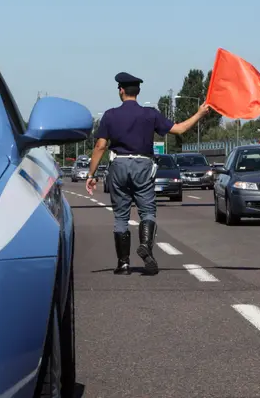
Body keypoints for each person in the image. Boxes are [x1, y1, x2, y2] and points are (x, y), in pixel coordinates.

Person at [85, 71, 211, 275]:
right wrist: (199, 113)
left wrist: (91, 175)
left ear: (121, 91)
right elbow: (179, 129)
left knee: (120, 216)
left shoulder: (110, 115)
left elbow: (100, 146)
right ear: (138, 91)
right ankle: (145, 245)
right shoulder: (150, 114)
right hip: (143, 165)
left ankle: (123, 264)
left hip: (119, 165)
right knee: (148, 211)